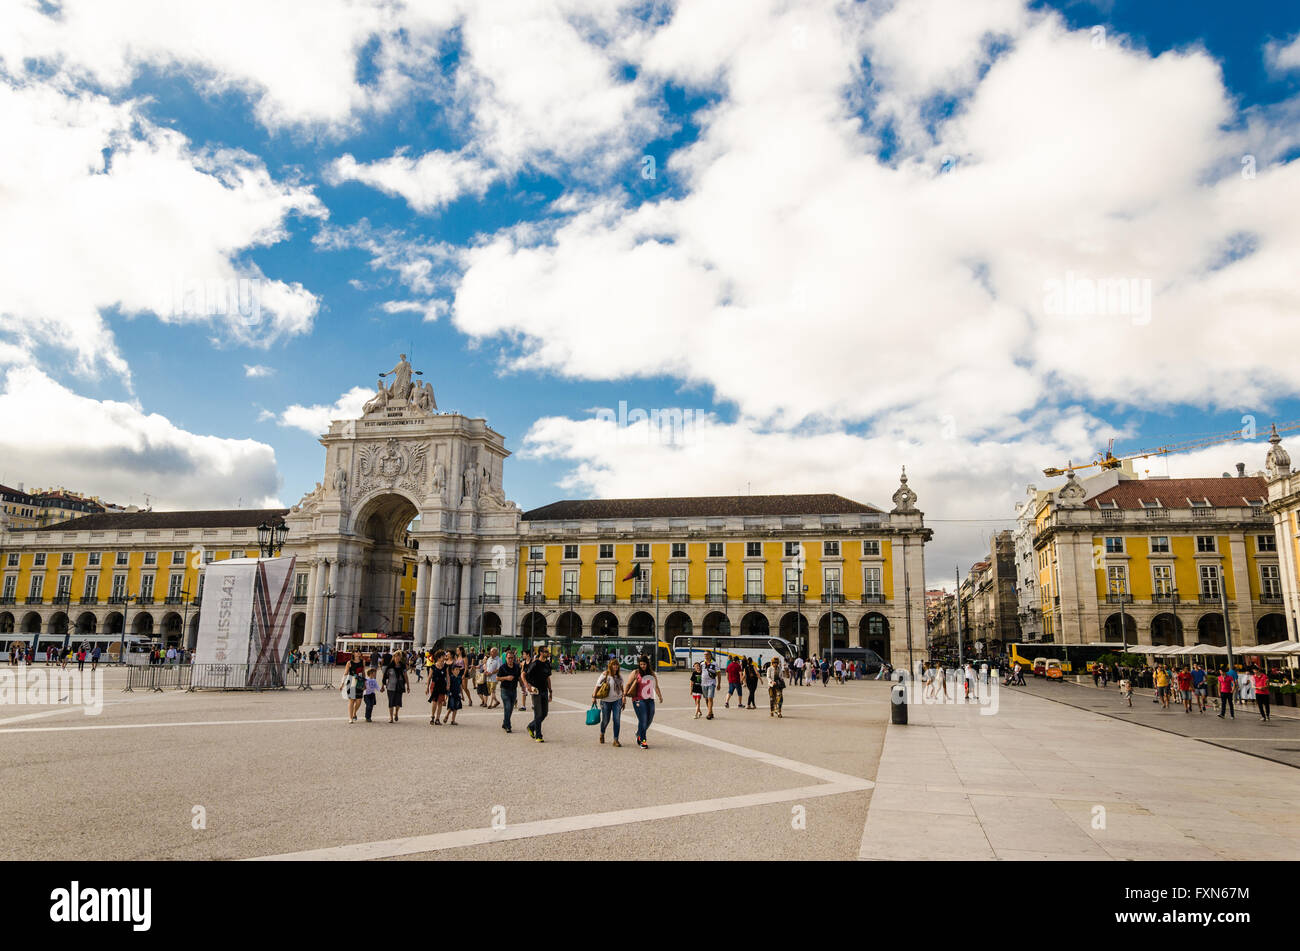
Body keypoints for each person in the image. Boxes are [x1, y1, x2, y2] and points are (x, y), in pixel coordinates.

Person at [624, 654, 663, 749]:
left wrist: (660, 696)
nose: (642, 666)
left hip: (649, 699)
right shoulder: (635, 672)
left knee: (650, 718)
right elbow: (628, 684)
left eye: (644, 664)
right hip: (638, 699)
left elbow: (656, 686)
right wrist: (624, 696)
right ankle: (643, 740)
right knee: (643, 719)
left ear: (647, 664)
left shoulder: (652, 674)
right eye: (641, 664)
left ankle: (639, 733)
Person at [592, 658, 625, 746]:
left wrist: (623, 698)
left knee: (616, 720)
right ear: (610, 666)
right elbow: (597, 685)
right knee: (606, 720)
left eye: (617, 665)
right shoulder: (605, 675)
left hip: (617, 701)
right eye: (614, 665)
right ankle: (602, 733)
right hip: (605, 701)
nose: (615, 666)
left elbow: (622, 688)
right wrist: (594, 697)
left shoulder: (619, 676)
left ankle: (616, 740)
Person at [523, 646, 553, 742]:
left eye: (548, 651)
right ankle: (538, 736)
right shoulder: (535, 663)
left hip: (544, 690)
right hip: (536, 691)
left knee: (544, 713)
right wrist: (528, 686)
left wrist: (550, 691)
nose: (548, 653)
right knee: (538, 713)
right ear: (540, 652)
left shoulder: (547, 663)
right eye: (546, 651)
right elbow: (524, 675)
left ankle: (531, 726)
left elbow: (548, 677)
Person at [496, 648, 522, 733]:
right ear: (506, 658)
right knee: (507, 707)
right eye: (509, 658)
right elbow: (497, 678)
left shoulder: (517, 666)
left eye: (512, 658)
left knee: (510, 709)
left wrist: (523, 686)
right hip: (505, 690)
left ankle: (505, 722)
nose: (510, 659)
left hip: (513, 690)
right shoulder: (502, 667)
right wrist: (506, 678)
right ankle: (508, 726)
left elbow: (519, 677)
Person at [384, 651, 409, 723]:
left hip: (399, 685)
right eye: (396, 656)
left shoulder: (402, 666)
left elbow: (405, 676)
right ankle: (391, 717)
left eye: (399, 657)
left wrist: (408, 686)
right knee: (391, 702)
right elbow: (385, 676)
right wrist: (383, 685)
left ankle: (396, 713)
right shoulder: (390, 666)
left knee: (398, 702)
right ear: (394, 657)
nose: (398, 658)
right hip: (390, 686)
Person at [342, 653, 366, 723]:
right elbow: (345, 673)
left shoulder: (363, 661)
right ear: (353, 653)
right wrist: (342, 683)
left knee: (359, 700)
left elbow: (363, 672)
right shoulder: (349, 662)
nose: (358, 653)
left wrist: (365, 682)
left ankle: (354, 712)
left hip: (360, 681)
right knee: (351, 700)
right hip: (351, 681)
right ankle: (350, 718)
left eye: (359, 651)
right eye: (356, 651)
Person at [426, 650, 449, 725]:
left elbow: (447, 676)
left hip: (442, 685)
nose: (444, 657)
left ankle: (437, 719)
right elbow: (429, 677)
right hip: (434, 685)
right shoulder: (433, 666)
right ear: (439, 658)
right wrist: (427, 687)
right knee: (435, 701)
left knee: (440, 702)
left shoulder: (445, 666)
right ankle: (432, 716)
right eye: (443, 656)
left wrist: (448, 685)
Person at [700, 651, 719, 719]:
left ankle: (709, 714)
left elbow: (718, 674)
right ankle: (711, 712)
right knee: (706, 699)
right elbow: (700, 673)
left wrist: (719, 684)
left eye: (707, 654)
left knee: (710, 698)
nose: (706, 656)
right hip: (703, 684)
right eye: (704, 654)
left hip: (711, 683)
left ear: (710, 655)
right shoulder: (702, 664)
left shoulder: (714, 664)